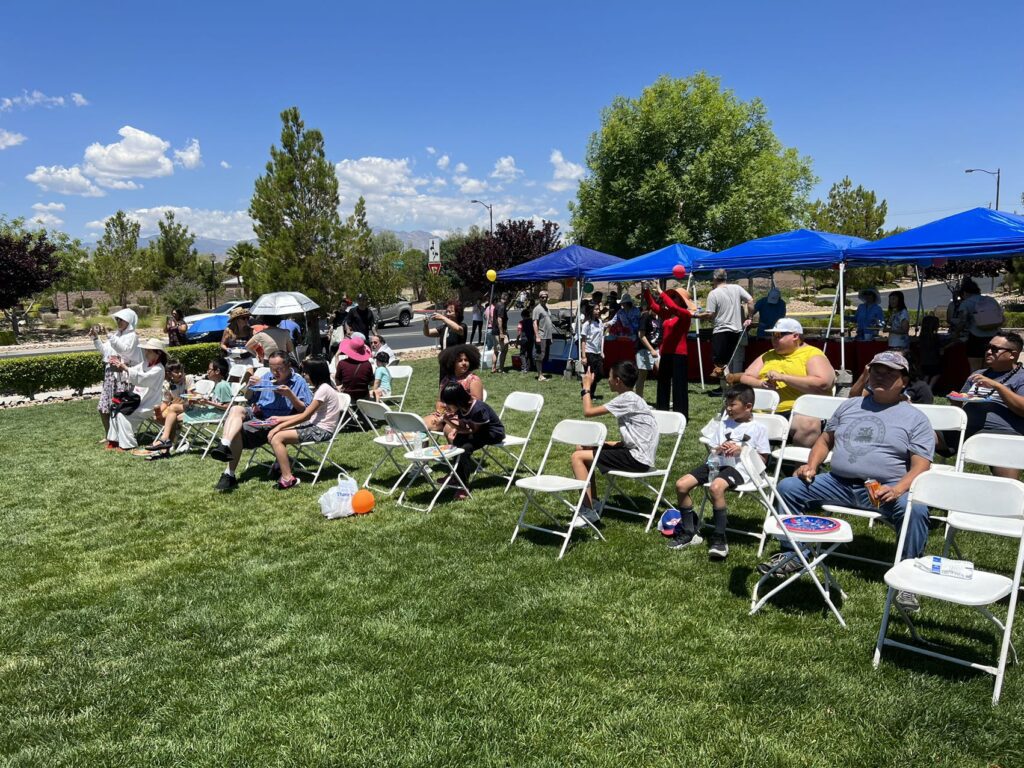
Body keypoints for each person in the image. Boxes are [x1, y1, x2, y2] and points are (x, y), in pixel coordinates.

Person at [760, 351, 933, 612]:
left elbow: (922, 464)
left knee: (916, 508)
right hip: (837, 482)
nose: (881, 376)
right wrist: (811, 465)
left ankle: (907, 577)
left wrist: (898, 488)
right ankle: (795, 552)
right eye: (877, 371)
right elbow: (825, 440)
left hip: (884, 490)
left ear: (904, 381)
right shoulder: (850, 406)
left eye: (890, 373)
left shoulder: (915, 418)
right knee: (788, 487)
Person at [667, 384, 771, 559]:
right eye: (727, 404)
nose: (728, 408)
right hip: (718, 463)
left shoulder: (758, 429)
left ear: (748, 407)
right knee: (681, 484)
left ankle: (719, 538)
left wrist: (742, 451)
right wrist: (719, 448)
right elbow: (714, 449)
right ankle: (689, 531)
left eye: (732, 405)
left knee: (716, 487)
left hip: (741, 468)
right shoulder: (724, 424)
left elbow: (762, 461)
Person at [571, 361, 659, 527]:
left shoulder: (626, 398)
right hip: (635, 450)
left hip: (638, 459)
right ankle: (594, 502)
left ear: (618, 380)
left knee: (577, 457)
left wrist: (586, 387)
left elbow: (588, 411)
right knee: (582, 447)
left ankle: (587, 511)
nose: (608, 380)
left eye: (610, 377)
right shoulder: (631, 398)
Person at [209, 351, 313, 491]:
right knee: (235, 409)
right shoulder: (266, 377)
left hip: (278, 420)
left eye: (279, 369)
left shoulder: (298, 381)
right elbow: (249, 398)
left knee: (238, 431)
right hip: (259, 413)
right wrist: (249, 386)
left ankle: (229, 474)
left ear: (288, 366)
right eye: (271, 368)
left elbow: (305, 411)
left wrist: (290, 395)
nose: (275, 373)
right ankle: (224, 444)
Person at [732, 318, 836, 446]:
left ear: (795, 336)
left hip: (798, 412)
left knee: (808, 424)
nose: (773, 339)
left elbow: (823, 382)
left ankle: (802, 465)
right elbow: (746, 377)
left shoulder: (812, 354)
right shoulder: (768, 355)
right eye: (772, 335)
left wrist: (784, 377)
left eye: (778, 335)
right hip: (765, 411)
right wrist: (762, 384)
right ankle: (740, 460)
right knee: (732, 410)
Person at [952, 332, 1024, 479]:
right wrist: (956, 401)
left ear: (1013, 354)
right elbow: (963, 398)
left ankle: (1007, 498)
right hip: (965, 428)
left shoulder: (1021, 377)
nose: (988, 351)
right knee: (923, 435)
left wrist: (998, 386)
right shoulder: (978, 374)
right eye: (988, 347)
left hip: (1002, 433)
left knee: (1006, 484)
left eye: (995, 349)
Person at [266, 359, 344, 490]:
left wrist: (280, 426)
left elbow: (306, 416)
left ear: (315, 373)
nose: (304, 376)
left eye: (306, 373)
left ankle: (287, 478)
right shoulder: (323, 388)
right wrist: (280, 419)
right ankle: (283, 465)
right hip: (315, 426)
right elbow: (308, 415)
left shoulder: (323, 390)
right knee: (276, 435)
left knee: (277, 437)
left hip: (321, 431)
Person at [148, 357, 234, 451]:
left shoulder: (223, 385)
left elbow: (227, 407)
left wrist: (207, 402)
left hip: (214, 414)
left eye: (209, 369)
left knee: (173, 412)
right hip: (209, 411)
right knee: (173, 416)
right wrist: (204, 400)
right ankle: (166, 446)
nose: (207, 371)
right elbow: (216, 401)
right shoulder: (217, 384)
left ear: (217, 371)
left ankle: (166, 441)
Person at [438, 381, 506, 500]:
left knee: (464, 449)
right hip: (478, 432)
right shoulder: (461, 408)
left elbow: (473, 431)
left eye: (448, 403)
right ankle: (455, 476)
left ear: (457, 401)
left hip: (493, 434)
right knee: (457, 443)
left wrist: (457, 430)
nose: (446, 406)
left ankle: (463, 486)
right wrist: (449, 422)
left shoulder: (478, 409)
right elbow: (464, 426)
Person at [642, 282, 696, 418]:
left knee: (679, 386)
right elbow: (653, 306)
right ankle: (662, 412)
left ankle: (681, 415)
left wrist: (661, 291)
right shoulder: (668, 314)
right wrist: (646, 290)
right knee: (663, 384)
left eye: (675, 297)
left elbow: (672, 306)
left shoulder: (685, 314)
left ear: (681, 301)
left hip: (679, 354)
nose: (672, 299)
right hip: (666, 353)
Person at [697, 269, 754, 394]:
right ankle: (731, 390)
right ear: (726, 277)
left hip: (721, 331)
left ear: (714, 278)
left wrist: (695, 315)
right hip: (737, 332)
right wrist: (750, 318)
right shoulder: (737, 288)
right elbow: (750, 301)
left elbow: (710, 314)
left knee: (721, 365)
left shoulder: (714, 293)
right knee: (731, 362)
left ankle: (726, 390)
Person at [105, 338, 168, 450]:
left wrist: (125, 368)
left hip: (150, 403)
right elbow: (132, 372)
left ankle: (128, 445)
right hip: (138, 400)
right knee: (115, 408)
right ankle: (113, 441)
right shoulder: (145, 364)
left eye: (149, 351)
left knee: (123, 414)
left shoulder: (158, 369)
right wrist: (120, 367)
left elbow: (143, 379)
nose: (146, 353)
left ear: (158, 353)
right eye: (146, 350)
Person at [90, 308, 142, 437]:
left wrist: (108, 334)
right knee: (103, 407)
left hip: (122, 376)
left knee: (119, 407)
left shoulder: (132, 336)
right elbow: (105, 351)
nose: (118, 322)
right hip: (110, 375)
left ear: (129, 321)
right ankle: (109, 435)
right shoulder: (117, 335)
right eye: (117, 319)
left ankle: (120, 436)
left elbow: (124, 350)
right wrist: (96, 338)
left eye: (121, 320)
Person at [424, 344, 484, 433]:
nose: (464, 363)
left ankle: (455, 447)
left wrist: (453, 410)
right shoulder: (446, 380)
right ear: (452, 363)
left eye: (466, 360)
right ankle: (424, 447)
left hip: (464, 418)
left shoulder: (473, 380)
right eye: (460, 361)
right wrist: (441, 414)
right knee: (422, 424)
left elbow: (476, 405)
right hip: (444, 415)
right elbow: (440, 401)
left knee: (448, 429)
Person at [956, 278, 1004, 372]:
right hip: (994, 337)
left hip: (976, 338)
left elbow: (962, 322)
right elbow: (1001, 317)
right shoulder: (990, 300)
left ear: (964, 293)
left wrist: (956, 334)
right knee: (989, 368)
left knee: (975, 369)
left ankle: (975, 386)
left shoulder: (966, 303)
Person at [335, 334, 375, 404]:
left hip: (347, 398)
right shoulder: (367, 364)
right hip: (364, 398)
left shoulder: (342, 363)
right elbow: (371, 382)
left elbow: (338, 381)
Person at [635, 303, 661, 398]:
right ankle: (639, 399)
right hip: (643, 349)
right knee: (642, 375)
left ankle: (663, 398)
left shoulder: (659, 317)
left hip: (656, 348)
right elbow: (641, 335)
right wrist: (651, 350)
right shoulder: (645, 317)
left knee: (662, 372)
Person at [580, 303, 605, 398]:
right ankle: (589, 393)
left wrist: (602, 351)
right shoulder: (587, 324)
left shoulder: (600, 322)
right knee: (591, 374)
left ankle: (586, 387)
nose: (598, 311)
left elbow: (601, 338)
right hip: (589, 352)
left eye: (599, 309)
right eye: (596, 309)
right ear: (591, 310)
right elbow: (583, 340)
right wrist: (583, 356)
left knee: (599, 374)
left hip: (597, 352)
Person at [917, 315, 944, 392]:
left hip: (924, 359)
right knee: (936, 374)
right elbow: (939, 348)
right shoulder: (935, 337)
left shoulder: (922, 336)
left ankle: (923, 389)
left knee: (926, 375)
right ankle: (929, 388)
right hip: (933, 359)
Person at [532, 291, 554, 381]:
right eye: (542, 297)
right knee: (540, 355)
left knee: (545, 356)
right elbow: (534, 323)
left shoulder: (546, 308)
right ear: (539, 298)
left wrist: (551, 337)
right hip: (541, 336)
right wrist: (537, 336)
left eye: (545, 297)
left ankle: (541, 373)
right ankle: (540, 375)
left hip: (547, 336)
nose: (544, 299)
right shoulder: (537, 309)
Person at [489, 292, 510, 373]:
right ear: (506, 299)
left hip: (494, 331)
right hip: (499, 332)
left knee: (496, 350)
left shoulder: (497, 305)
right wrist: (501, 333)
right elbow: (499, 319)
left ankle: (493, 368)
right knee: (504, 349)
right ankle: (501, 368)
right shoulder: (502, 306)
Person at [519, 295, 536, 374]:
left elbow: (519, 331)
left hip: (524, 339)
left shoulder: (521, 322)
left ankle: (524, 368)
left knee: (522, 353)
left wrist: (517, 340)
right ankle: (531, 366)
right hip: (531, 338)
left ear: (523, 316)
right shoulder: (532, 321)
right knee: (529, 353)